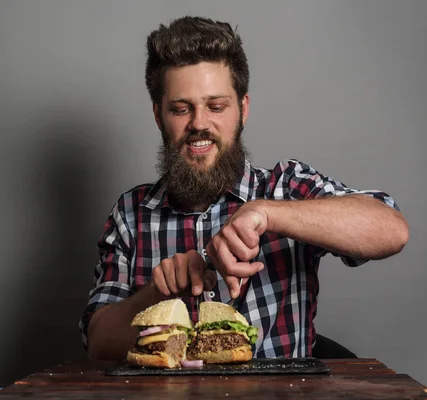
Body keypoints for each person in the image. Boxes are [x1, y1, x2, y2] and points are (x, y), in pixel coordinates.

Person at [80, 16, 409, 361]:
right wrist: (156, 293)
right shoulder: (131, 213)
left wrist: (266, 212)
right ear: (158, 115)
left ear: (243, 110)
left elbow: (392, 229)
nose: (199, 124)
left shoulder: (284, 188)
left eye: (216, 106)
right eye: (181, 109)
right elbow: (98, 345)